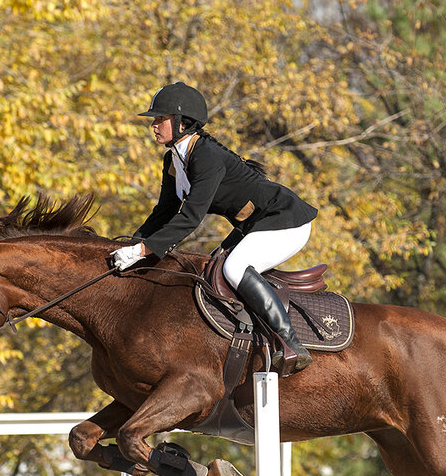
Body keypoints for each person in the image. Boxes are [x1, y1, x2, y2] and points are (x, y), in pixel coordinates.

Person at [111, 81, 319, 376]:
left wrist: (144, 250)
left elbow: (191, 217)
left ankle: (291, 344)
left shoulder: (206, 156)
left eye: (160, 119)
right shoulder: (174, 160)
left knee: (235, 268)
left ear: (183, 122)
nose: (154, 125)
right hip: (254, 225)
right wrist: (133, 244)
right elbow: (165, 211)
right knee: (210, 269)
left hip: (287, 221)